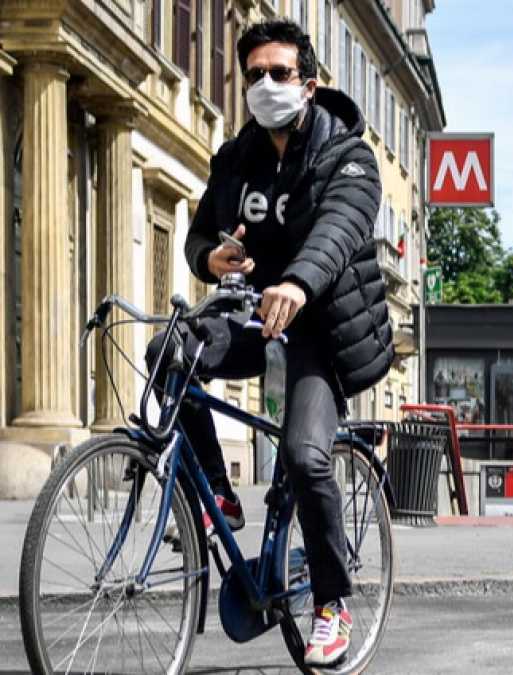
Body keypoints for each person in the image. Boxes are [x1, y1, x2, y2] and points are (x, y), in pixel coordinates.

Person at [143, 19, 389, 667]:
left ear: (309, 83)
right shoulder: (236, 159)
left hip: (321, 325)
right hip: (253, 312)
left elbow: (339, 228)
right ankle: (217, 495)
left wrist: (301, 282)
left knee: (308, 458)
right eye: (254, 74)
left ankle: (333, 603)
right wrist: (210, 256)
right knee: (167, 352)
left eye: (279, 73)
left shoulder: (349, 157)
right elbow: (199, 235)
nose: (265, 84)